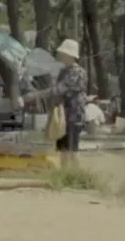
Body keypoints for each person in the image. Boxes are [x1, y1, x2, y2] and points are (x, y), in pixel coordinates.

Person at [22, 39, 87, 168]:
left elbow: (59, 89)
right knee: (63, 149)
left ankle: (76, 174)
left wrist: (36, 95)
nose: (60, 55)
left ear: (70, 55)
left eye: (63, 53)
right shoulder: (64, 71)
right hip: (62, 115)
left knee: (72, 150)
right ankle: (65, 173)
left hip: (74, 115)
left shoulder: (77, 72)